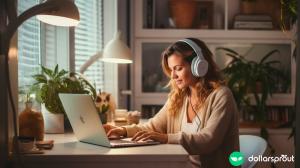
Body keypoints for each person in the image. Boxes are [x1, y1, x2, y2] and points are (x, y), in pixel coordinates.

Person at [104, 38, 240, 168]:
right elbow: (153, 127)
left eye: (178, 68)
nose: (173, 76)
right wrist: (123, 131)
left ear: (198, 66)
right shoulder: (179, 97)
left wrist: (165, 138)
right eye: (171, 69)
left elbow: (208, 140)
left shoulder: (221, 95)